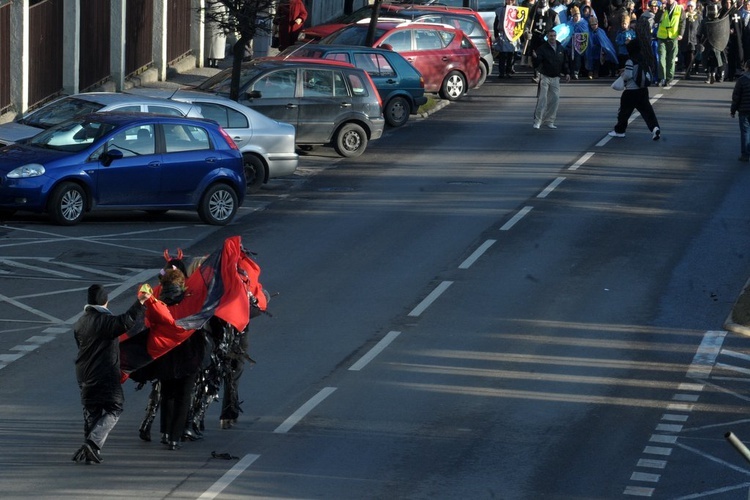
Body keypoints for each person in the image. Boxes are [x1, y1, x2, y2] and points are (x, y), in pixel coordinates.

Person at [72, 284, 150, 464]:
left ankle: (89, 451)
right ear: (105, 301)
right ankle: (92, 443)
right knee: (115, 407)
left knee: (92, 411)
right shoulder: (105, 321)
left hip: (83, 373)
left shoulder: (80, 322)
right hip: (105, 373)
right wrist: (140, 302)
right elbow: (126, 322)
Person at [608, 41, 662, 140]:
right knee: (648, 112)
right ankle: (655, 128)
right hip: (643, 90)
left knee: (624, 112)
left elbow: (628, 75)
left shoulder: (630, 61)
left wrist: (622, 75)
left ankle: (619, 131)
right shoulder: (644, 60)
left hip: (631, 91)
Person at [533, 28, 571, 129]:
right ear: (547, 37)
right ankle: (538, 121)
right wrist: (535, 57)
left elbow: (564, 62)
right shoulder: (542, 48)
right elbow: (536, 63)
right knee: (542, 99)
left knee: (555, 100)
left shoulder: (560, 48)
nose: (552, 38)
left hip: (556, 78)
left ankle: (550, 120)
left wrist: (567, 73)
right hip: (545, 76)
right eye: (550, 36)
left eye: (554, 36)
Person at [655, 0, 685, 85]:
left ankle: (669, 78)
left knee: (671, 60)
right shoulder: (662, 8)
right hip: (662, 37)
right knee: (661, 58)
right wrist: (661, 11)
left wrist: (681, 34)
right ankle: (661, 78)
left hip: (673, 37)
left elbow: (682, 22)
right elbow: (656, 19)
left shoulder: (679, 9)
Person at [494, 0, 522, 78]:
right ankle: (501, 72)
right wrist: (496, 35)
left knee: (512, 54)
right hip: (503, 34)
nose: (509, 1)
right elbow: (496, 23)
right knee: (503, 54)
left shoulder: (518, 10)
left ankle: (508, 71)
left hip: (513, 34)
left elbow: (520, 23)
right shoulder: (500, 10)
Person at [731, 59, 750, 161]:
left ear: (747, 67)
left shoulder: (742, 80)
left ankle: (745, 154)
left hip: (744, 110)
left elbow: (736, 97)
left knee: (745, 132)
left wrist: (733, 110)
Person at [680, 0, 701, 79]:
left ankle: (689, 70)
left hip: (694, 39)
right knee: (685, 55)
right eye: (688, 6)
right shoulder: (684, 15)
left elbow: (700, 26)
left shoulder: (698, 16)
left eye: (691, 6)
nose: (690, 8)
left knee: (691, 54)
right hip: (685, 39)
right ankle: (687, 68)